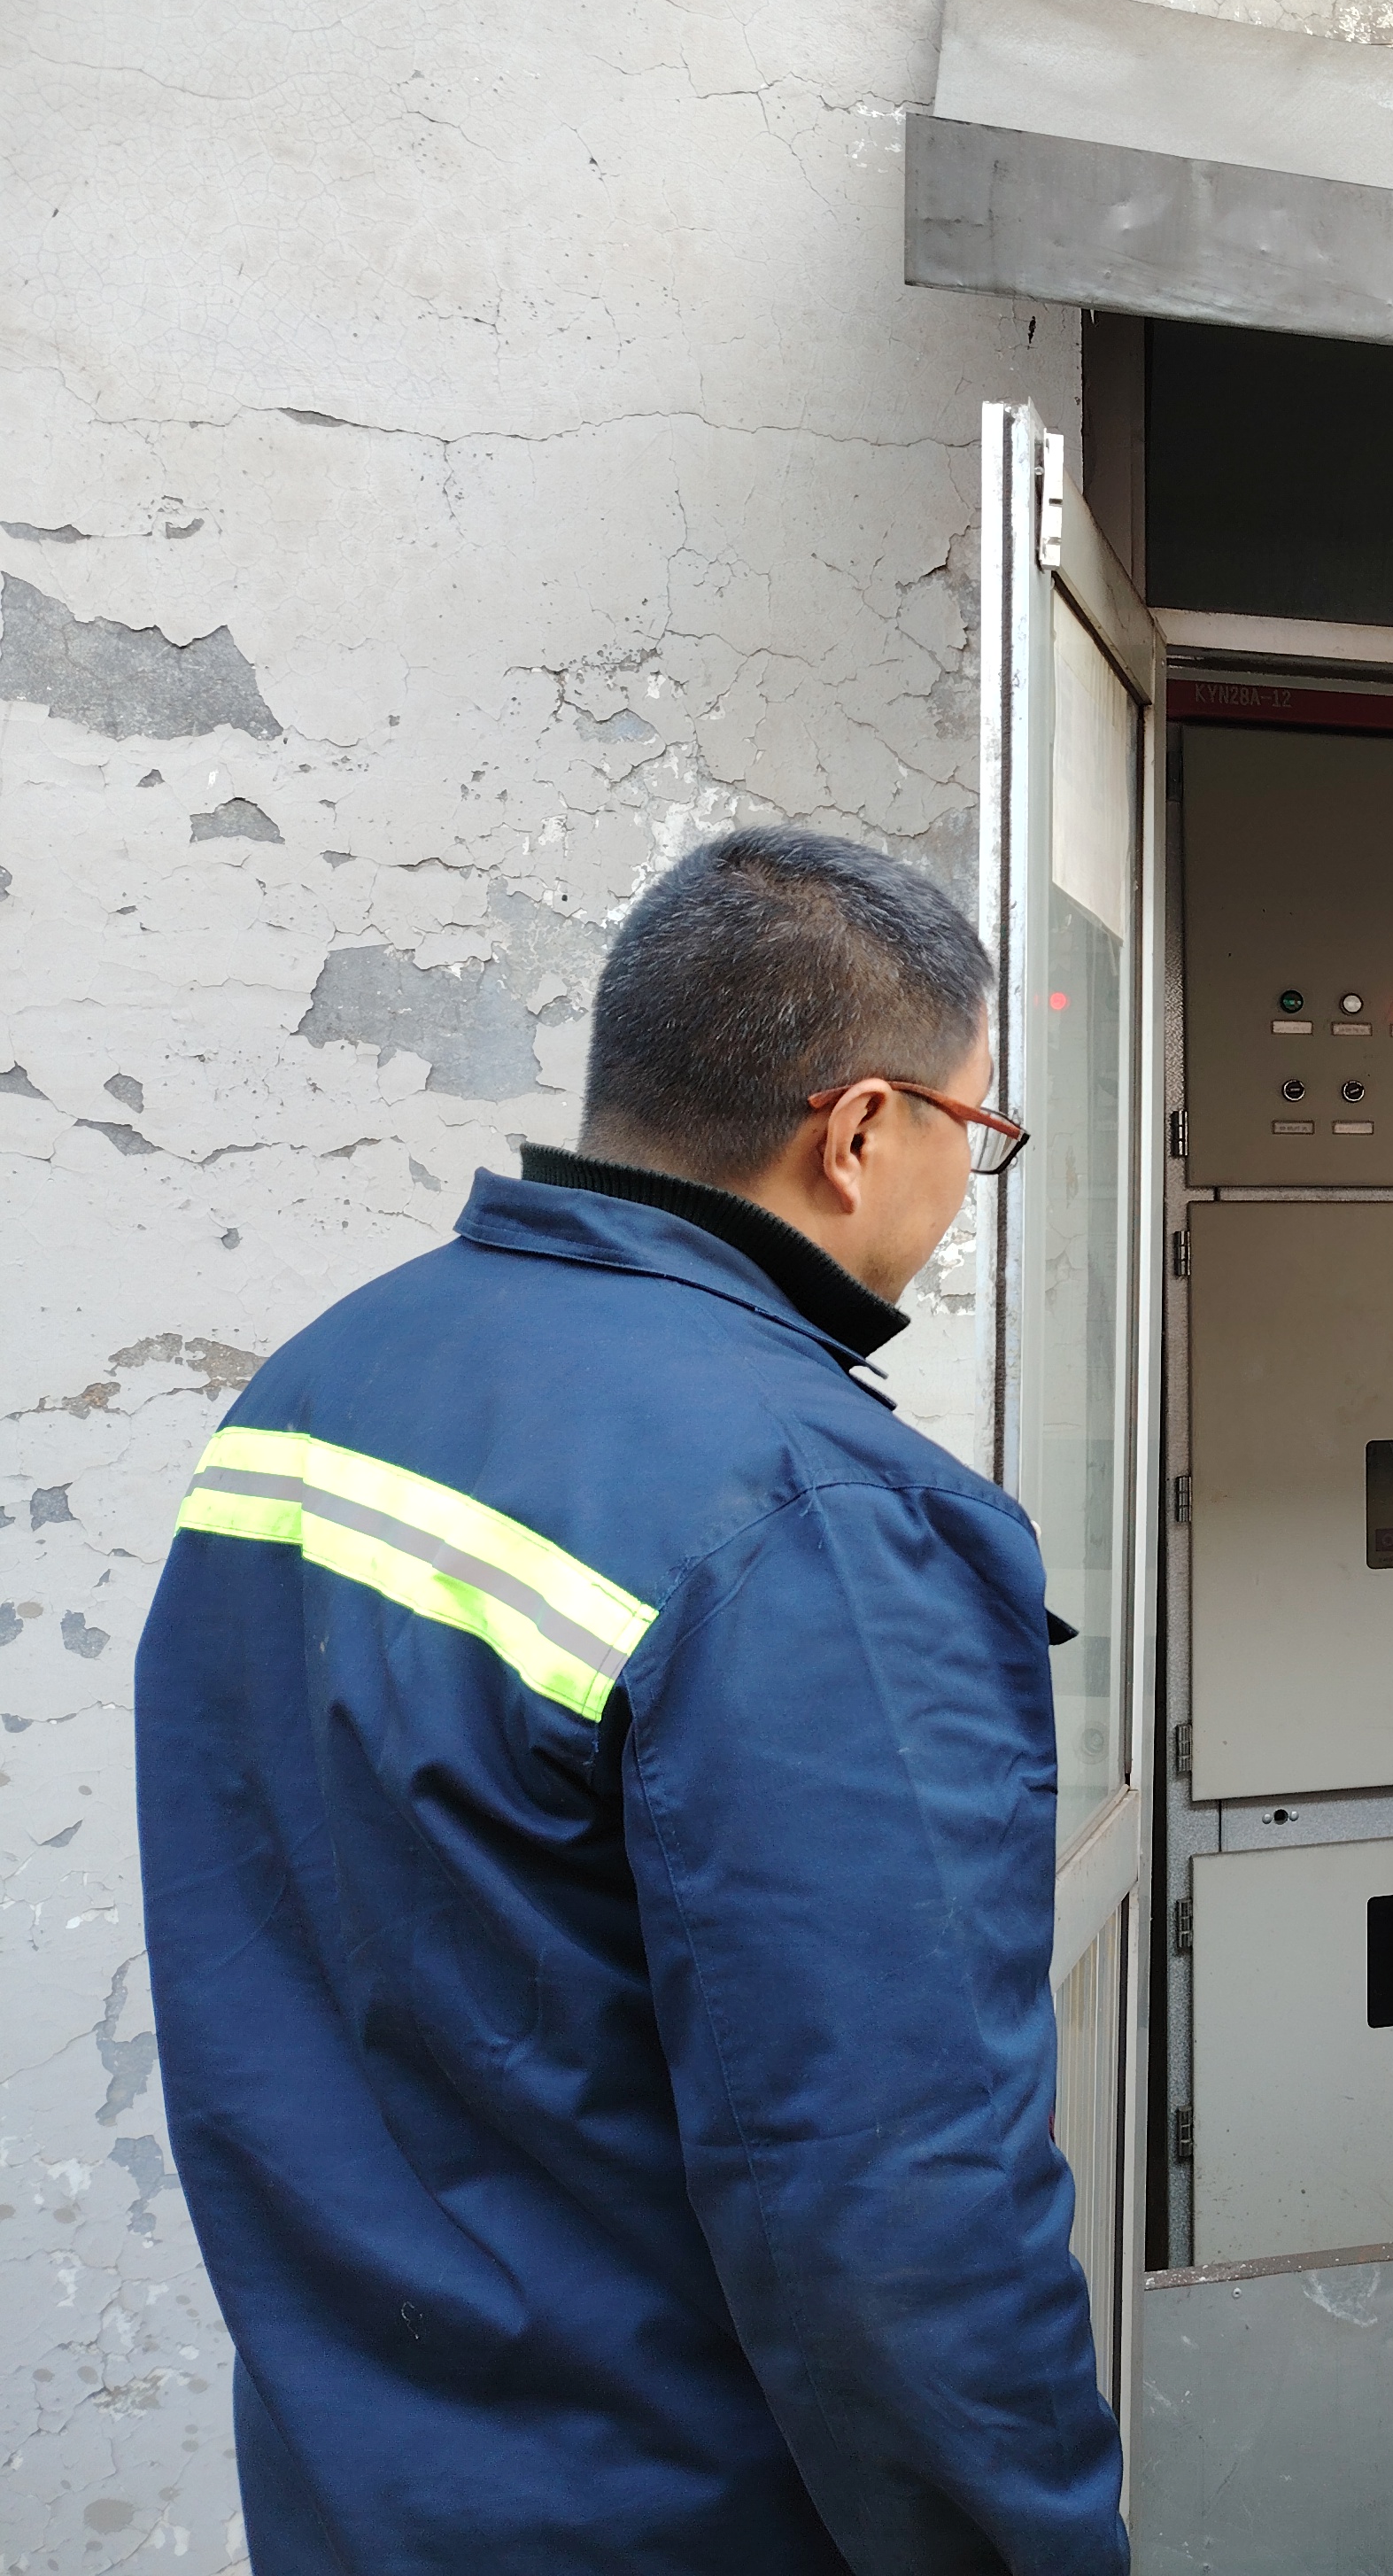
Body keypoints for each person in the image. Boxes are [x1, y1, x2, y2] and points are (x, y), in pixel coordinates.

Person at [135, 827, 1125, 2575]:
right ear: (861, 1130)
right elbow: (899, 2209)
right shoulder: (810, 1517)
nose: (965, 1187)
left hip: (361, 2495)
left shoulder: (326, 1383)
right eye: (976, 1133)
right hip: (667, 2517)